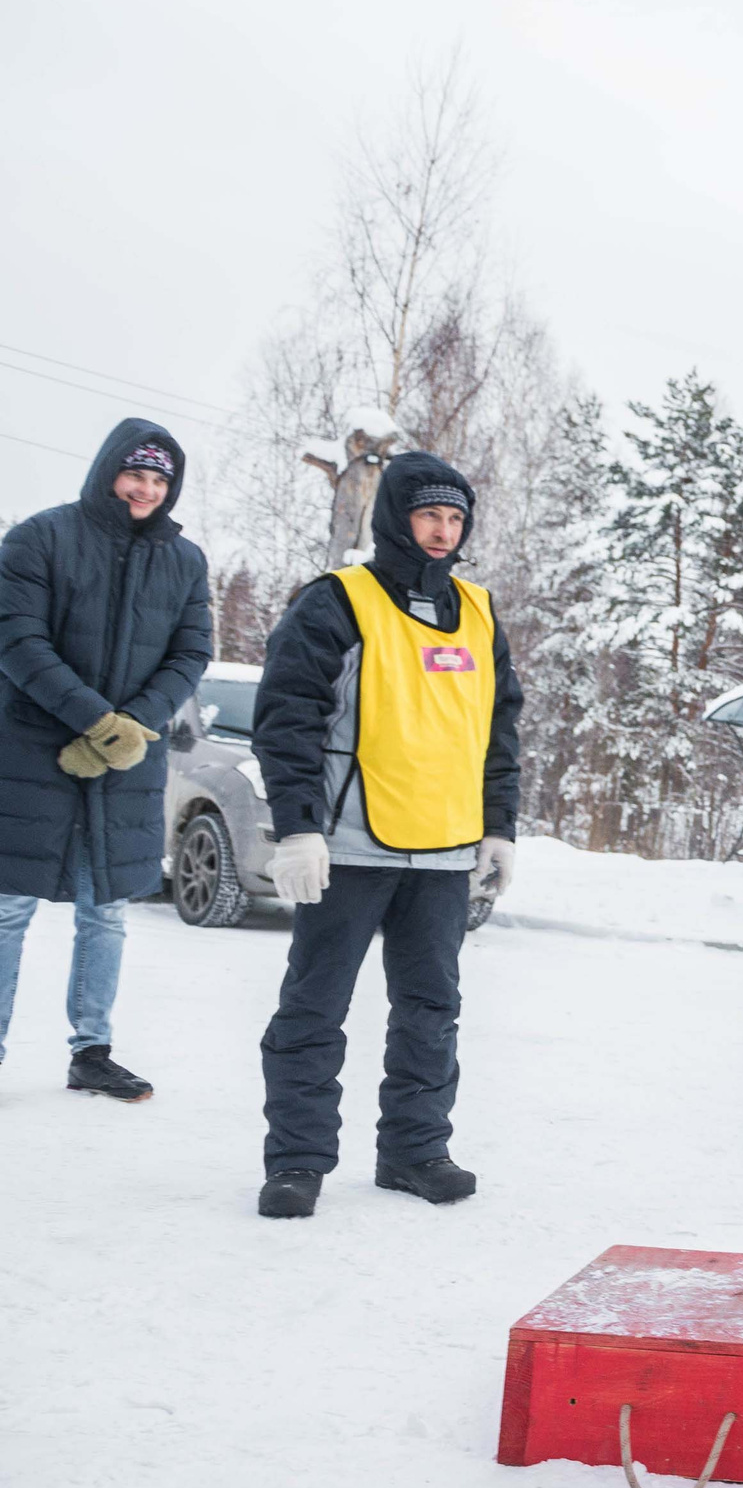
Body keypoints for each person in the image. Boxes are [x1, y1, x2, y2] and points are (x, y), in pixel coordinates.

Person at [251, 453, 522, 1220]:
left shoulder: (478, 610)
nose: (442, 531)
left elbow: (499, 731)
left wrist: (498, 827)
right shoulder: (338, 601)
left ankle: (415, 1149)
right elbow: (288, 716)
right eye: (428, 515)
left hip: (443, 851)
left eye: (456, 518)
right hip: (349, 845)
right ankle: (297, 1160)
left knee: (431, 1008)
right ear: (397, 518)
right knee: (314, 1006)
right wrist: (299, 827)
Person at [0, 420, 211, 1101]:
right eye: (136, 474)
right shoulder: (41, 536)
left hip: (127, 764)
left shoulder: (186, 561)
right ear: (107, 472)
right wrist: (95, 720)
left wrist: (134, 724)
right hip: (31, 751)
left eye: (160, 479)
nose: (147, 489)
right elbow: (17, 637)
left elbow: (191, 652)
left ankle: (92, 1050)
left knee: (106, 912)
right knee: (6, 909)